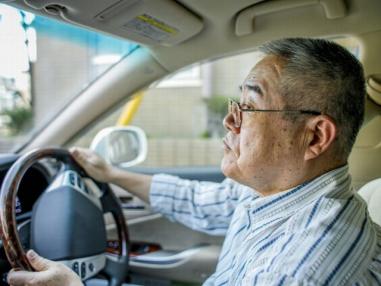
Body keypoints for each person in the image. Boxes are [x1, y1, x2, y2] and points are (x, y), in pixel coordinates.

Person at [8, 38, 381, 285]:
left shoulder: (311, 257)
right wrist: (111, 173)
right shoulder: (275, 190)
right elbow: (202, 201)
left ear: (314, 137)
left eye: (249, 107)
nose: (230, 120)